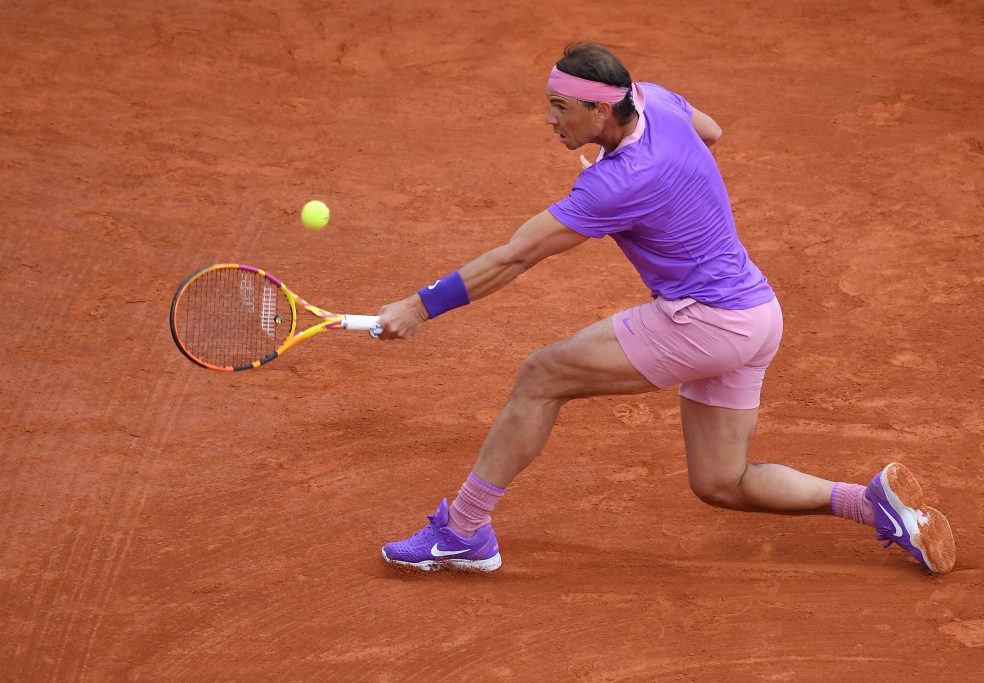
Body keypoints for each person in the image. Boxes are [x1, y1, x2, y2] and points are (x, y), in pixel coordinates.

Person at [374, 43, 956, 575]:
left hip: (705, 322)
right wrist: (657, 185)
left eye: (560, 107)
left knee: (541, 375)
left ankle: (464, 529)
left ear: (601, 112)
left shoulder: (614, 185)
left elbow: (513, 258)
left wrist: (420, 308)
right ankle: (873, 504)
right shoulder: (656, 100)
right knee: (721, 482)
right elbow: (713, 131)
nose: (550, 119)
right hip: (757, 314)